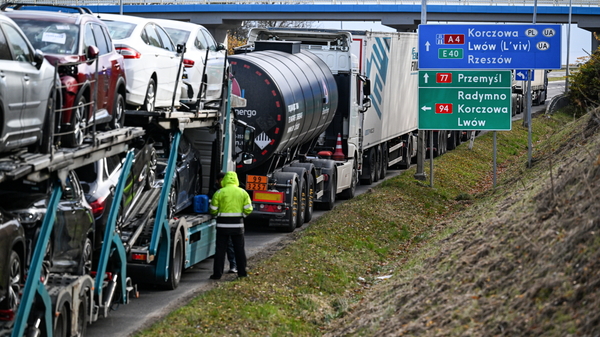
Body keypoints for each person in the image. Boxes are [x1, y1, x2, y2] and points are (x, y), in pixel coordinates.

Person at [209, 171, 252, 279]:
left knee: (220, 250)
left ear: (224, 180)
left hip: (222, 226)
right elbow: (249, 209)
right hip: (238, 226)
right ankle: (242, 273)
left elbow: (213, 210)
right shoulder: (242, 192)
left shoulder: (219, 192)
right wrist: (242, 215)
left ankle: (217, 274)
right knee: (239, 250)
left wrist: (217, 214)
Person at [215, 172, 237, 274]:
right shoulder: (239, 192)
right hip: (234, 224)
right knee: (229, 245)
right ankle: (233, 266)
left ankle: (232, 265)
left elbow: (213, 208)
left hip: (224, 223)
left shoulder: (219, 192)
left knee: (227, 246)